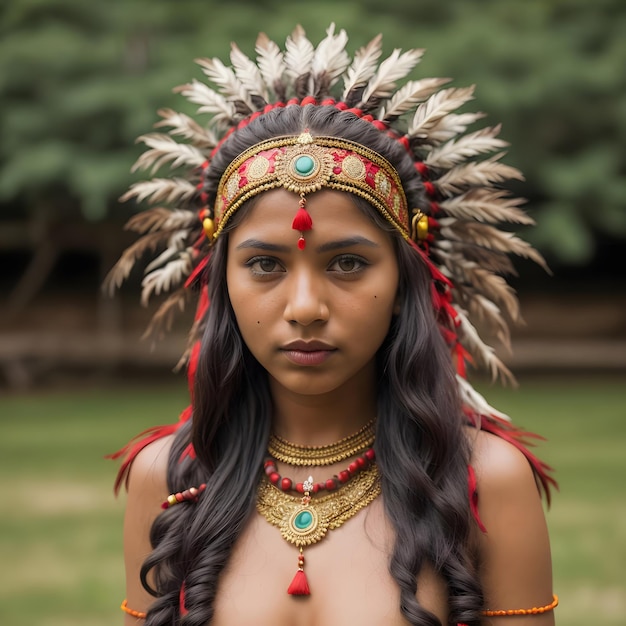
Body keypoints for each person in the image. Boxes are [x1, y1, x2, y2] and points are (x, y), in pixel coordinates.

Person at [106, 24, 558, 626]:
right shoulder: (165, 479)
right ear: (221, 285)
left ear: (403, 283)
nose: (305, 306)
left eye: (347, 263)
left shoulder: (486, 483)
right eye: (264, 264)